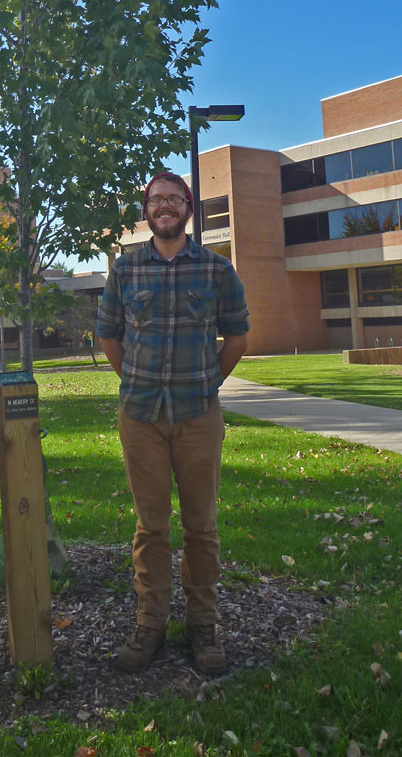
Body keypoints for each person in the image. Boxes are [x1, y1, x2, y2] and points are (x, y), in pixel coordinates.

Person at [96, 172, 249, 675]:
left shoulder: (216, 269)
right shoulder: (126, 269)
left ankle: (203, 626)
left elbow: (237, 339)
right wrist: (139, 382)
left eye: (174, 199)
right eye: (156, 199)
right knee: (151, 527)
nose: (165, 207)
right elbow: (111, 337)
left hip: (198, 415)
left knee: (201, 526)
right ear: (146, 209)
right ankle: (151, 623)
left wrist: (205, 385)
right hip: (140, 417)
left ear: (189, 207)